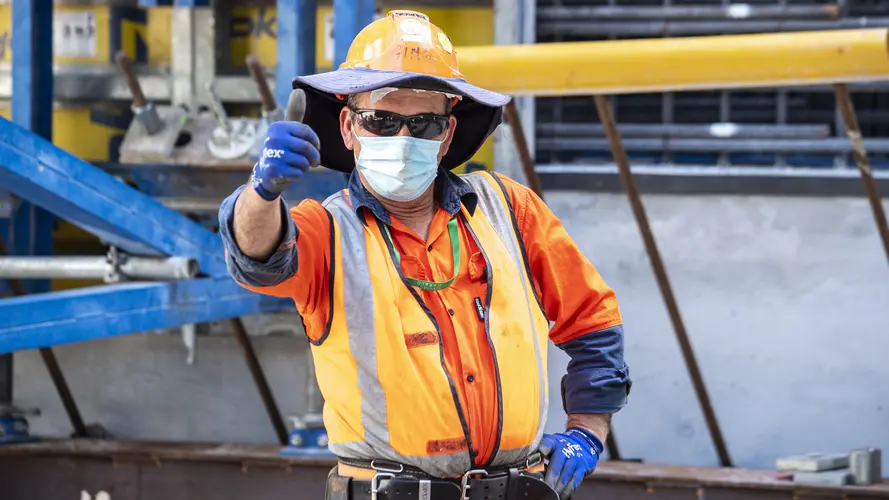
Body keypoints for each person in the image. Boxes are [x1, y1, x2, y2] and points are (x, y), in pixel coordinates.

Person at [218, 10, 631, 500]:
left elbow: (594, 320)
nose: (403, 138)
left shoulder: (509, 209)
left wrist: (588, 430)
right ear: (349, 128)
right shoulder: (327, 231)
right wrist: (261, 193)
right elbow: (256, 256)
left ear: (447, 134)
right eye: (382, 120)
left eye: (424, 123)